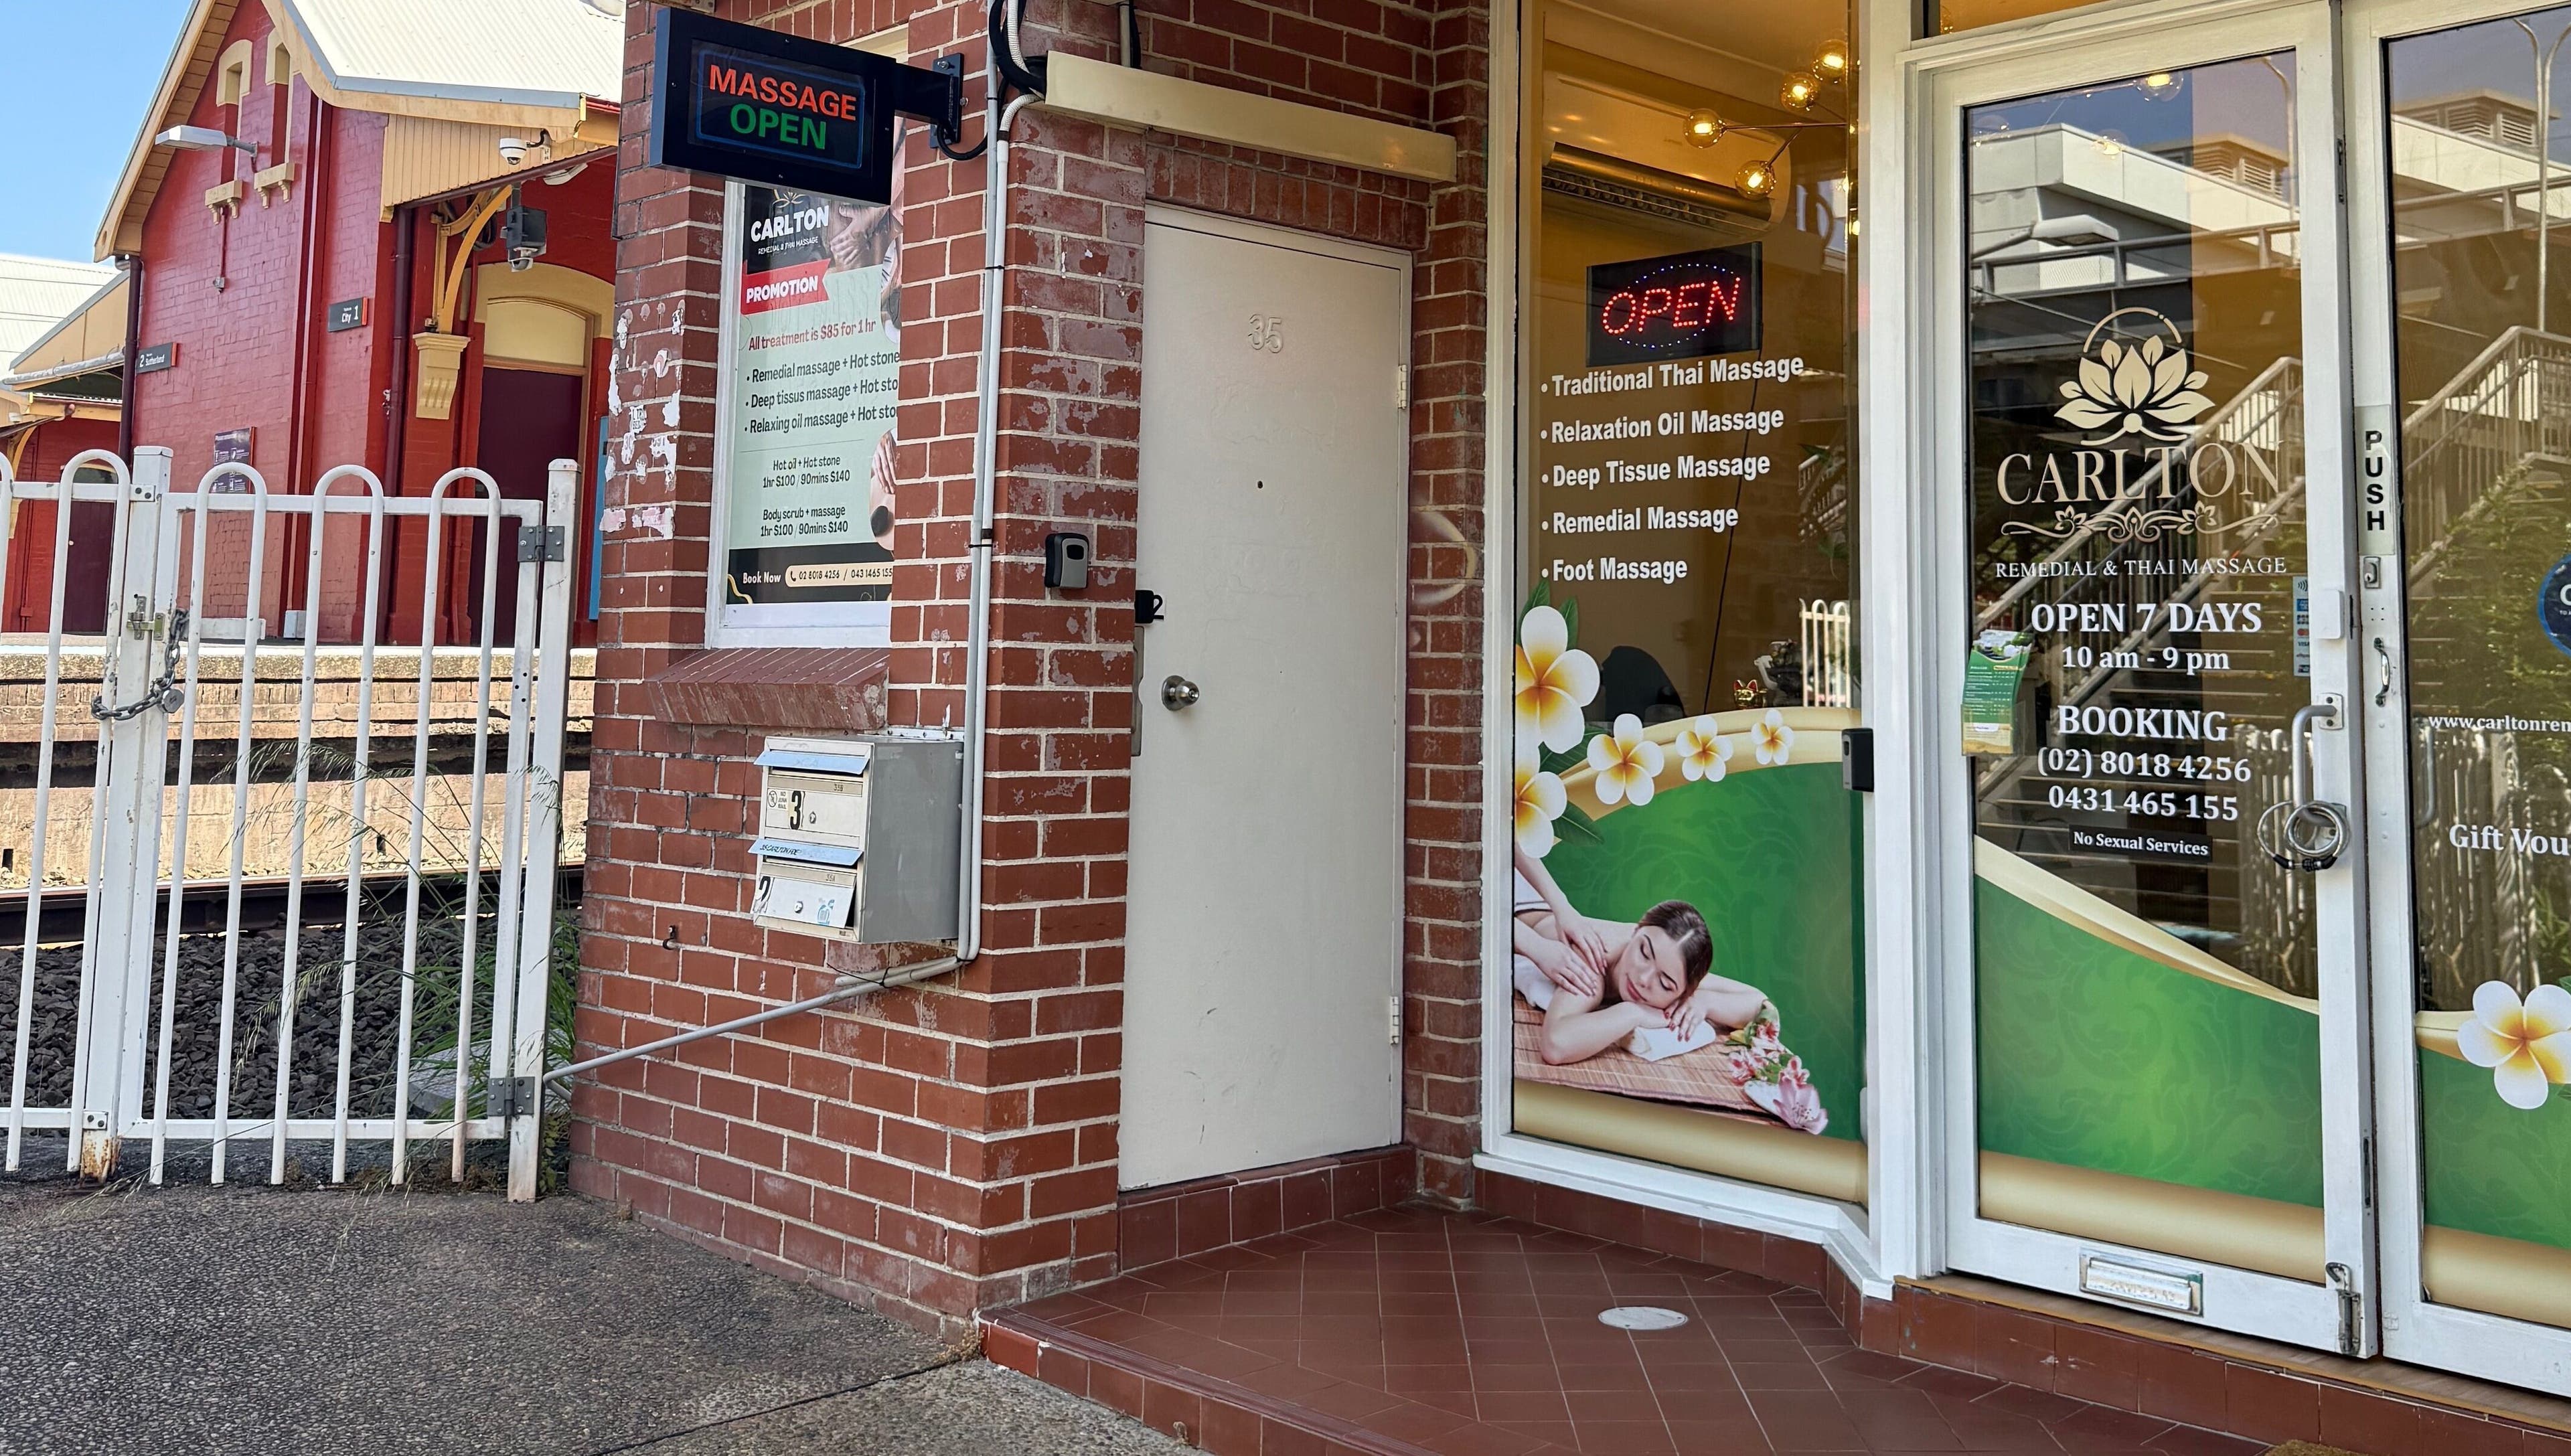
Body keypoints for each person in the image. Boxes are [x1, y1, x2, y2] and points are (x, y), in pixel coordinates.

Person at [1512, 845, 1768, 1066]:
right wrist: (1633, 1013)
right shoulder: (1595, 959)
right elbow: (1556, 1046)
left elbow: (1760, 1005)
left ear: (1683, 993)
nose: (1644, 978)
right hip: (1510, 900)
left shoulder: (1671, 964)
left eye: (1665, 983)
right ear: (1636, 932)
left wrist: (1704, 1002)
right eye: (1644, 953)